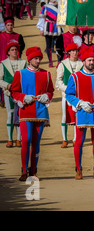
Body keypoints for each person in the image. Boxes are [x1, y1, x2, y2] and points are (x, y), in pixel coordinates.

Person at [11, 47, 55, 181]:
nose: (38, 60)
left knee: (36, 142)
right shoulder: (20, 73)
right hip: (26, 111)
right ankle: (24, 170)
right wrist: (23, 97)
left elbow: (51, 91)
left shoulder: (46, 74)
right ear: (29, 59)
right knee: (26, 140)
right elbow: (14, 92)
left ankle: (33, 171)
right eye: (35, 58)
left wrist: (46, 96)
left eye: (39, 58)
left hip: (40, 111)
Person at [65, 47, 94, 180]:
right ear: (83, 61)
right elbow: (69, 94)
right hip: (82, 112)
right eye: (89, 60)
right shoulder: (75, 77)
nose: (91, 62)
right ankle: (78, 169)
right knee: (79, 141)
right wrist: (79, 103)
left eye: (93, 60)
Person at [55, 42, 83, 148]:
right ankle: (64, 139)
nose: (75, 52)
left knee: (76, 116)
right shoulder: (62, 64)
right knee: (64, 116)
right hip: (65, 94)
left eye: (76, 51)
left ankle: (75, 139)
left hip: (78, 95)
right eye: (73, 51)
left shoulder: (81, 63)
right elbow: (59, 80)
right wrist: (67, 90)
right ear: (69, 52)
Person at [0, 40, 27, 147]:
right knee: (10, 114)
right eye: (12, 50)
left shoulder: (23, 62)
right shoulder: (3, 63)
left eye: (16, 49)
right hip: (8, 93)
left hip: (20, 93)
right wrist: (7, 85)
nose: (15, 51)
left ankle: (18, 139)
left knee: (19, 114)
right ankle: (10, 139)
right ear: (8, 52)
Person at [36, 0, 62, 67]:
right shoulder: (45, 6)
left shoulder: (59, 6)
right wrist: (41, 29)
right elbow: (42, 19)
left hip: (57, 26)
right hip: (48, 26)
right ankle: (50, 62)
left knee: (58, 44)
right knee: (48, 45)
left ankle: (59, 61)